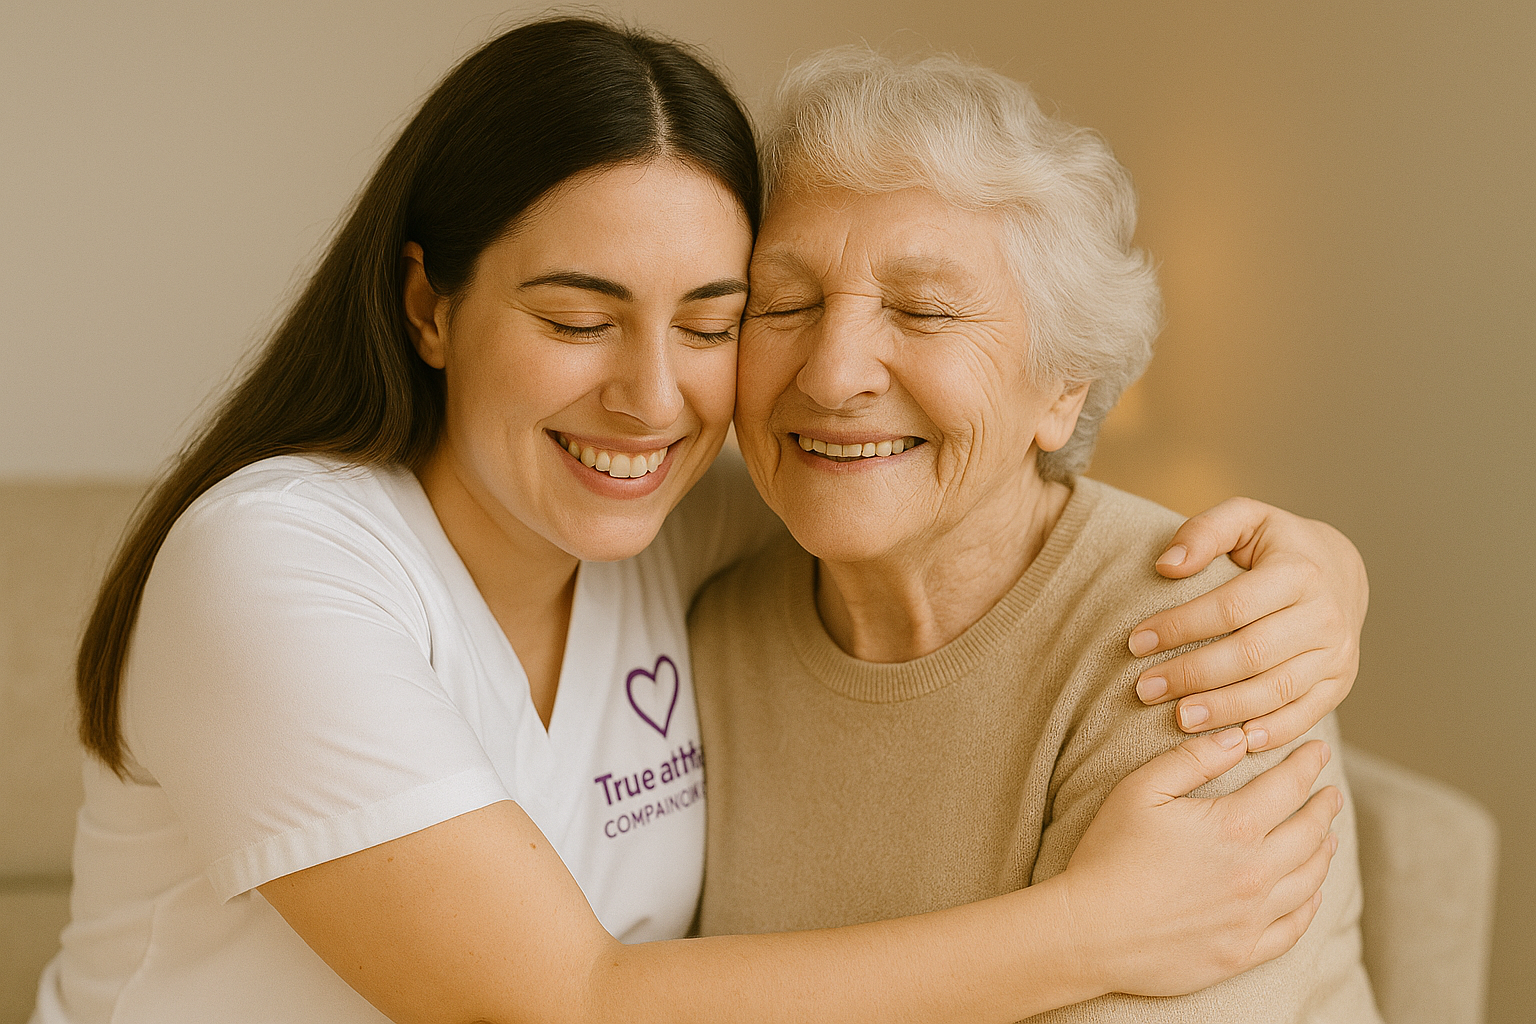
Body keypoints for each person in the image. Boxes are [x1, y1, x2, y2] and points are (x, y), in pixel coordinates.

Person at [37, 18, 1362, 1024]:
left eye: (717, 322)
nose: (654, 400)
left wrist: (1327, 574)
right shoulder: (278, 562)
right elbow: (570, 1001)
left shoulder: (672, 527)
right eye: (574, 317)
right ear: (429, 307)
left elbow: (898, 499)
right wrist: (1095, 927)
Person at [692, 45, 1382, 1021]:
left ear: (1063, 389)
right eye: (786, 302)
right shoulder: (705, 619)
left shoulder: (1209, 637)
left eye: (924, 309)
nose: (831, 372)